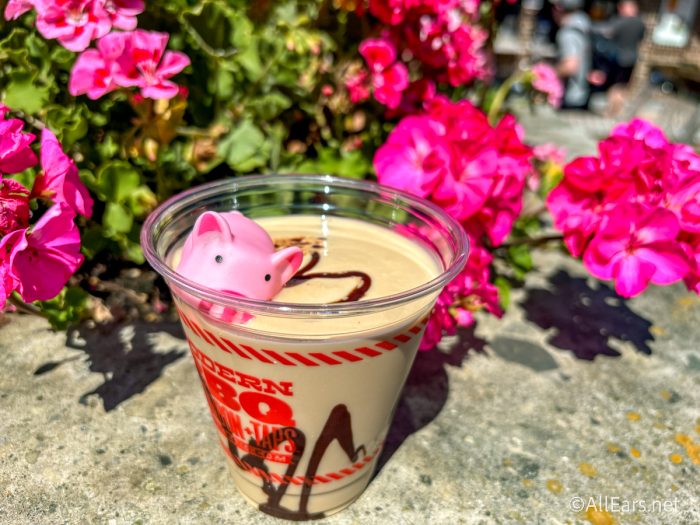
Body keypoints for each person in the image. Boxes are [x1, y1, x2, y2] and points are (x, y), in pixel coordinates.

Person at [592, 0, 645, 86]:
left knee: (615, 84)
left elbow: (607, 31)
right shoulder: (640, 22)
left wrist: (589, 26)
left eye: (622, 7)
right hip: (632, 59)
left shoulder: (625, 21)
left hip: (619, 59)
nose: (619, 9)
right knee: (623, 84)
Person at [551, 0, 593, 109]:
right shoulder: (585, 24)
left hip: (571, 97)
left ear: (559, 8)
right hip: (585, 94)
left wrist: (547, 74)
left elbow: (570, 66)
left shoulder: (568, 32)